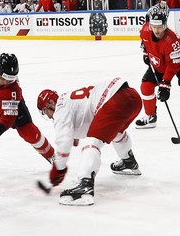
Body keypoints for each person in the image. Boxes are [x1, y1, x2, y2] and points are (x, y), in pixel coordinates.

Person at [36, 74, 145, 206]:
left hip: (117, 100)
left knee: (92, 141)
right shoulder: (67, 101)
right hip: (133, 98)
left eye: (45, 111)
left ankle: (85, 185)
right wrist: (73, 136)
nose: (48, 116)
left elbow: (63, 142)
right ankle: (128, 161)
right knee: (115, 131)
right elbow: (84, 114)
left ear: (51, 104)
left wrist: (58, 169)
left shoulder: (59, 111)